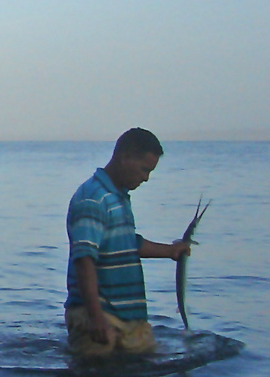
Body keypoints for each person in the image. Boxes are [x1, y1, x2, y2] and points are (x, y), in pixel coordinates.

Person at [64, 127, 190, 356]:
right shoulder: (93, 197)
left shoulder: (117, 197)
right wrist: (96, 317)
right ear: (125, 158)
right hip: (100, 315)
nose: (146, 178)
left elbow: (127, 243)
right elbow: (84, 260)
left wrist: (171, 251)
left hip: (128, 318)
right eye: (144, 169)